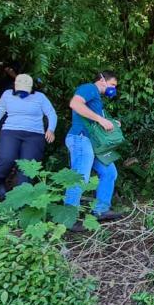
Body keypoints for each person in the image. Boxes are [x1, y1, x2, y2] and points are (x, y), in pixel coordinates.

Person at [0, 73, 57, 200]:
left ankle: (22, 199)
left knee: (27, 168)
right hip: (11, 131)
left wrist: (51, 129)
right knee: (6, 158)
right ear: (15, 86)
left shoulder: (40, 97)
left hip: (34, 135)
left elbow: (51, 113)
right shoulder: (7, 95)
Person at [63, 71, 121, 220]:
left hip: (92, 143)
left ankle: (101, 210)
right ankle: (69, 219)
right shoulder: (89, 88)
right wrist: (101, 120)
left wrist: (111, 122)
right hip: (80, 139)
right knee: (80, 177)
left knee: (109, 172)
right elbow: (74, 104)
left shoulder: (97, 100)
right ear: (102, 80)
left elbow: (94, 121)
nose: (114, 89)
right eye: (113, 85)